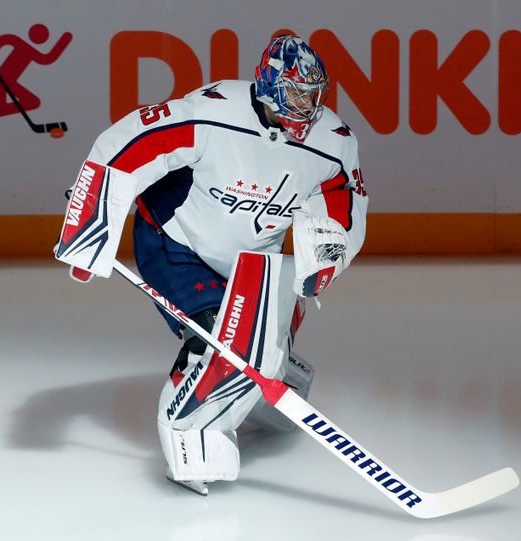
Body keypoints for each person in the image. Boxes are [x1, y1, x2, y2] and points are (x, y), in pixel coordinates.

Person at [55, 35, 368, 494]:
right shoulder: (213, 112)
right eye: (299, 95)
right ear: (272, 87)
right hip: (176, 243)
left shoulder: (333, 141)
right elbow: (127, 144)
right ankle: (189, 435)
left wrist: (325, 256)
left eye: (315, 96)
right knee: (218, 338)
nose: (310, 106)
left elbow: (346, 202)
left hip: (251, 260)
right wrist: (90, 226)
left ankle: (269, 378)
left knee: (261, 337)